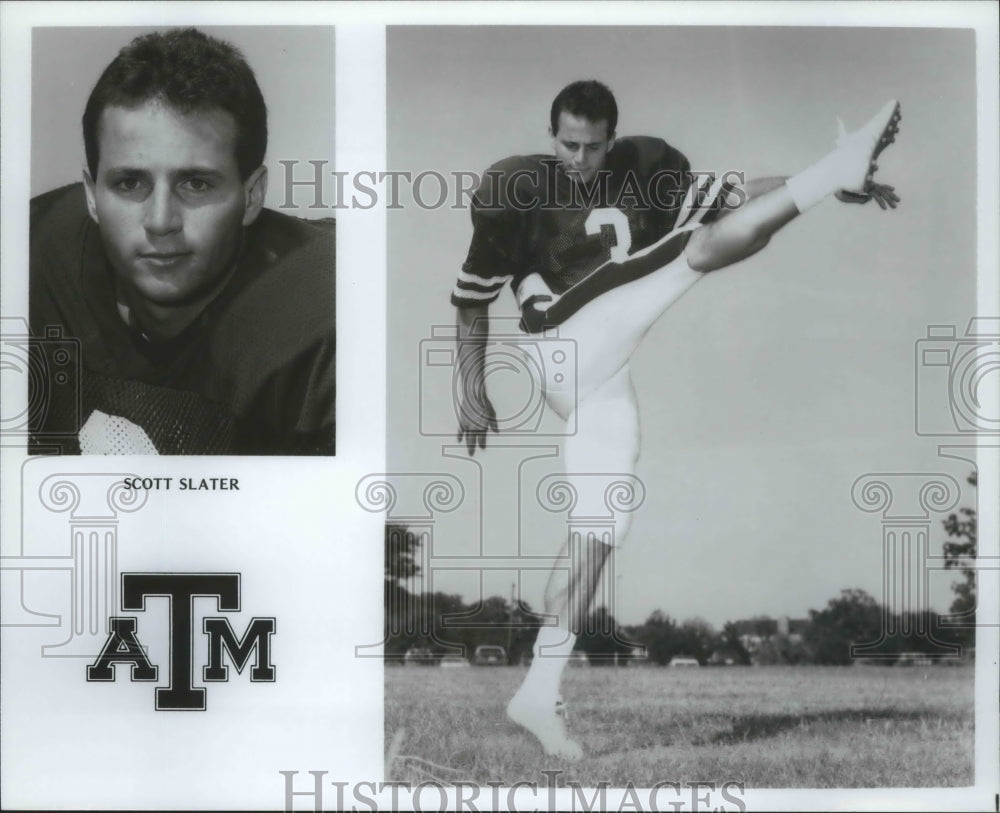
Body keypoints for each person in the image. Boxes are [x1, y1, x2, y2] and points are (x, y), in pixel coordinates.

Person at [451, 80, 900, 759]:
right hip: (560, 343)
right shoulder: (518, 189)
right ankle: (833, 166)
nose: (579, 158)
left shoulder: (646, 170)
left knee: (599, 529)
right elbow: (470, 300)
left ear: (611, 138)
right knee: (690, 254)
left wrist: (832, 191)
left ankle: (539, 692)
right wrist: (468, 384)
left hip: (603, 375)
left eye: (592, 146)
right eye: (567, 144)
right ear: (552, 138)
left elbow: (735, 197)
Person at [29, 28, 335, 455]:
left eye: (195, 184)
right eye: (130, 182)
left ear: (252, 196)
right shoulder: (27, 260)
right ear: (91, 195)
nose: (160, 222)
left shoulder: (328, 311)